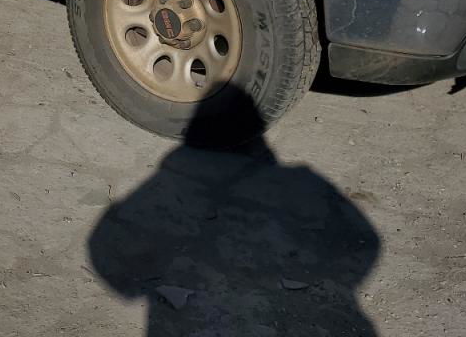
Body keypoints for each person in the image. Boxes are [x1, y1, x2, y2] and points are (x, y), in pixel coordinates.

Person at [88, 85, 380, 336]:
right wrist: (336, 282)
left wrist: (138, 286)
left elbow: (105, 242)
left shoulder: (176, 177)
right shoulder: (303, 182)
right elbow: (364, 239)